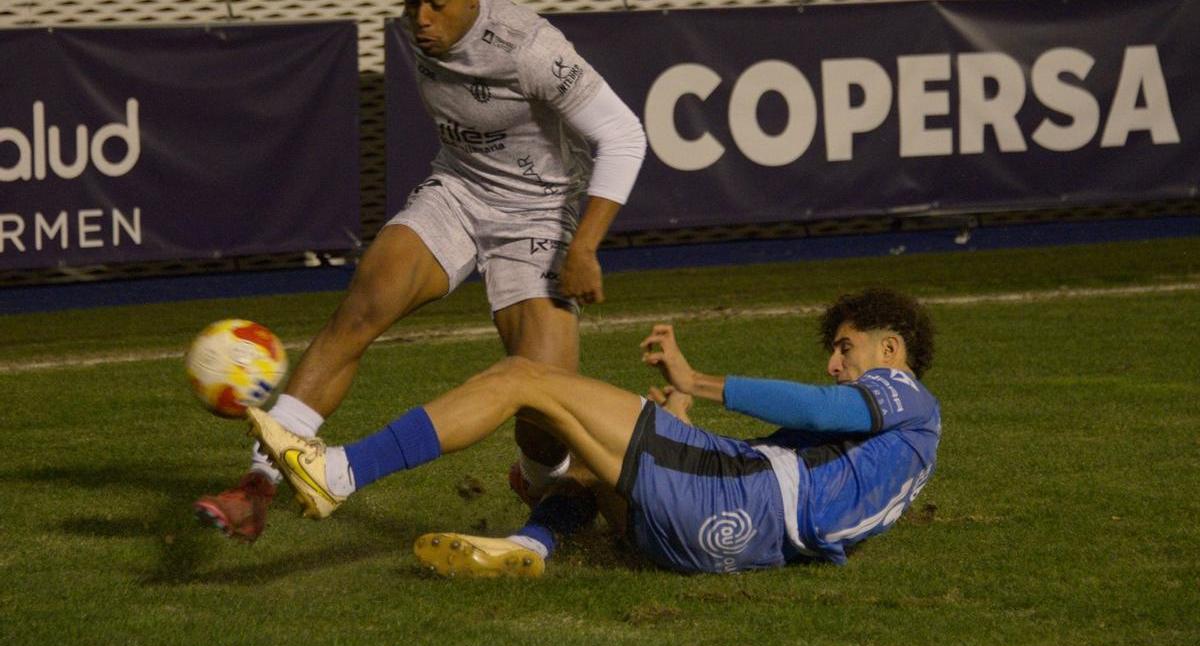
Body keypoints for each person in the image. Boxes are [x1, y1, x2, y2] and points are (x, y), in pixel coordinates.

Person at [194, 0, 647, 541]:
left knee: (545, 406)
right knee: (362, 307)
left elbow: (623, 136)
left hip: (539, 214)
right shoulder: (425, 31)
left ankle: (542, 481)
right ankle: (259, 484)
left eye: (436, 4)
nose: (421, 19)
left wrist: (584, 249)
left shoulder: (531, 47)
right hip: (457, 191)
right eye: (412, 5)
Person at [247, 288, 942, 576]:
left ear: (890, 350)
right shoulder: (891, 455)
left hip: (737, 504)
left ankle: (336, 471)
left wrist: (697, 382)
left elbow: (822, 411)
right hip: (722, 540)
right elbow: (778, 475)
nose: (833, 362)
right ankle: (529, 546)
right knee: (590, 457)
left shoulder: (908, 395)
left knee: (524, 376)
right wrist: (680, 417)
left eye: (845, 349)